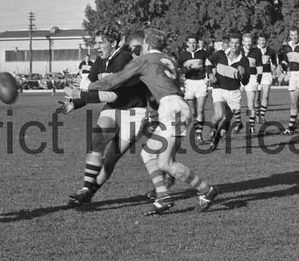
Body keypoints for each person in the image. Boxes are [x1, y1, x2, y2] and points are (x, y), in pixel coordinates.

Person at [88, 28, 218, 216]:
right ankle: (163, 196)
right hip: (176, 106)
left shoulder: (145, 60)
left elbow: (114, 80)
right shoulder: (169, 60)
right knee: (148, 154)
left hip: (172, 108)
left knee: (166, 164)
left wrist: (89, 87)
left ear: (146, 45)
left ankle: (207, 190)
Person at [63, 30, 150, 206]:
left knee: (110, 160)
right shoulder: (100, 61)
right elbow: (91, 88)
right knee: (97, 140)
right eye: (95, 43)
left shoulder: (124, 59)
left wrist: (79, 95)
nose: (96, 46)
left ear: (114, 42)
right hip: (113, 109)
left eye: (101, 42)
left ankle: (88, 193)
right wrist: (75, 102)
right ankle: (86, 189)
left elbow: (112, 95)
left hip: (135, 112)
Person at [205, 31, 248, 148]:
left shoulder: (244, 61)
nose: (234, 46)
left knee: (227, 119)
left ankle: (216, 141)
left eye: (237, 43)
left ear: (240, 45)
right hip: (219, 88)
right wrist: (210, 75)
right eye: (232, 43)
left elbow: (245, 82)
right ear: (229, 44)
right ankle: (213, 128)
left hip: (234, 92)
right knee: (218, 115)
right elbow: (208, 61)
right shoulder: (220, 54)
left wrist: (242, 75)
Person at [177, 34, 210, 143]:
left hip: (201, 82)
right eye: (190, 42)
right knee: (193, 111)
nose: (192, 44)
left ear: (197, 43)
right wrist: (186, 69)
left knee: (200, 110)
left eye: (194, 42)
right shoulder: (182, 55)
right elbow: (179, 70)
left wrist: (208, 76)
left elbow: (209, 66)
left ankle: (199, 135)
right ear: (187, 43)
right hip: (189, 84)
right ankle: (197, 130)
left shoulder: (203, 53)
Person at [240, 33, 263, 134]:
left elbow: (260, 68)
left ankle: (251, 126)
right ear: (242, 42)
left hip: (251, 79)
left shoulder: (256, 52)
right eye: (246, 41)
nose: (248, 43)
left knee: (250, 104)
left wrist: (258, 81)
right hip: (238, 79)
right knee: (233, 104)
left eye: (250, 41)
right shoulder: (238, 51)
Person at [254, 34, 277, 125]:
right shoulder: (254, 51)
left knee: (266, 95)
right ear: (257, 41)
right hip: (256, 75)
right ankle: (256, 115)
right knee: (256, 98)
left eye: (264, 40)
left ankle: (262, 116)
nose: (262, 42)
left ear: (266, 41)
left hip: (267, 74)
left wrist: (274, 67)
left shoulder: (271, 51)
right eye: (260, 40)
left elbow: (274, 63)